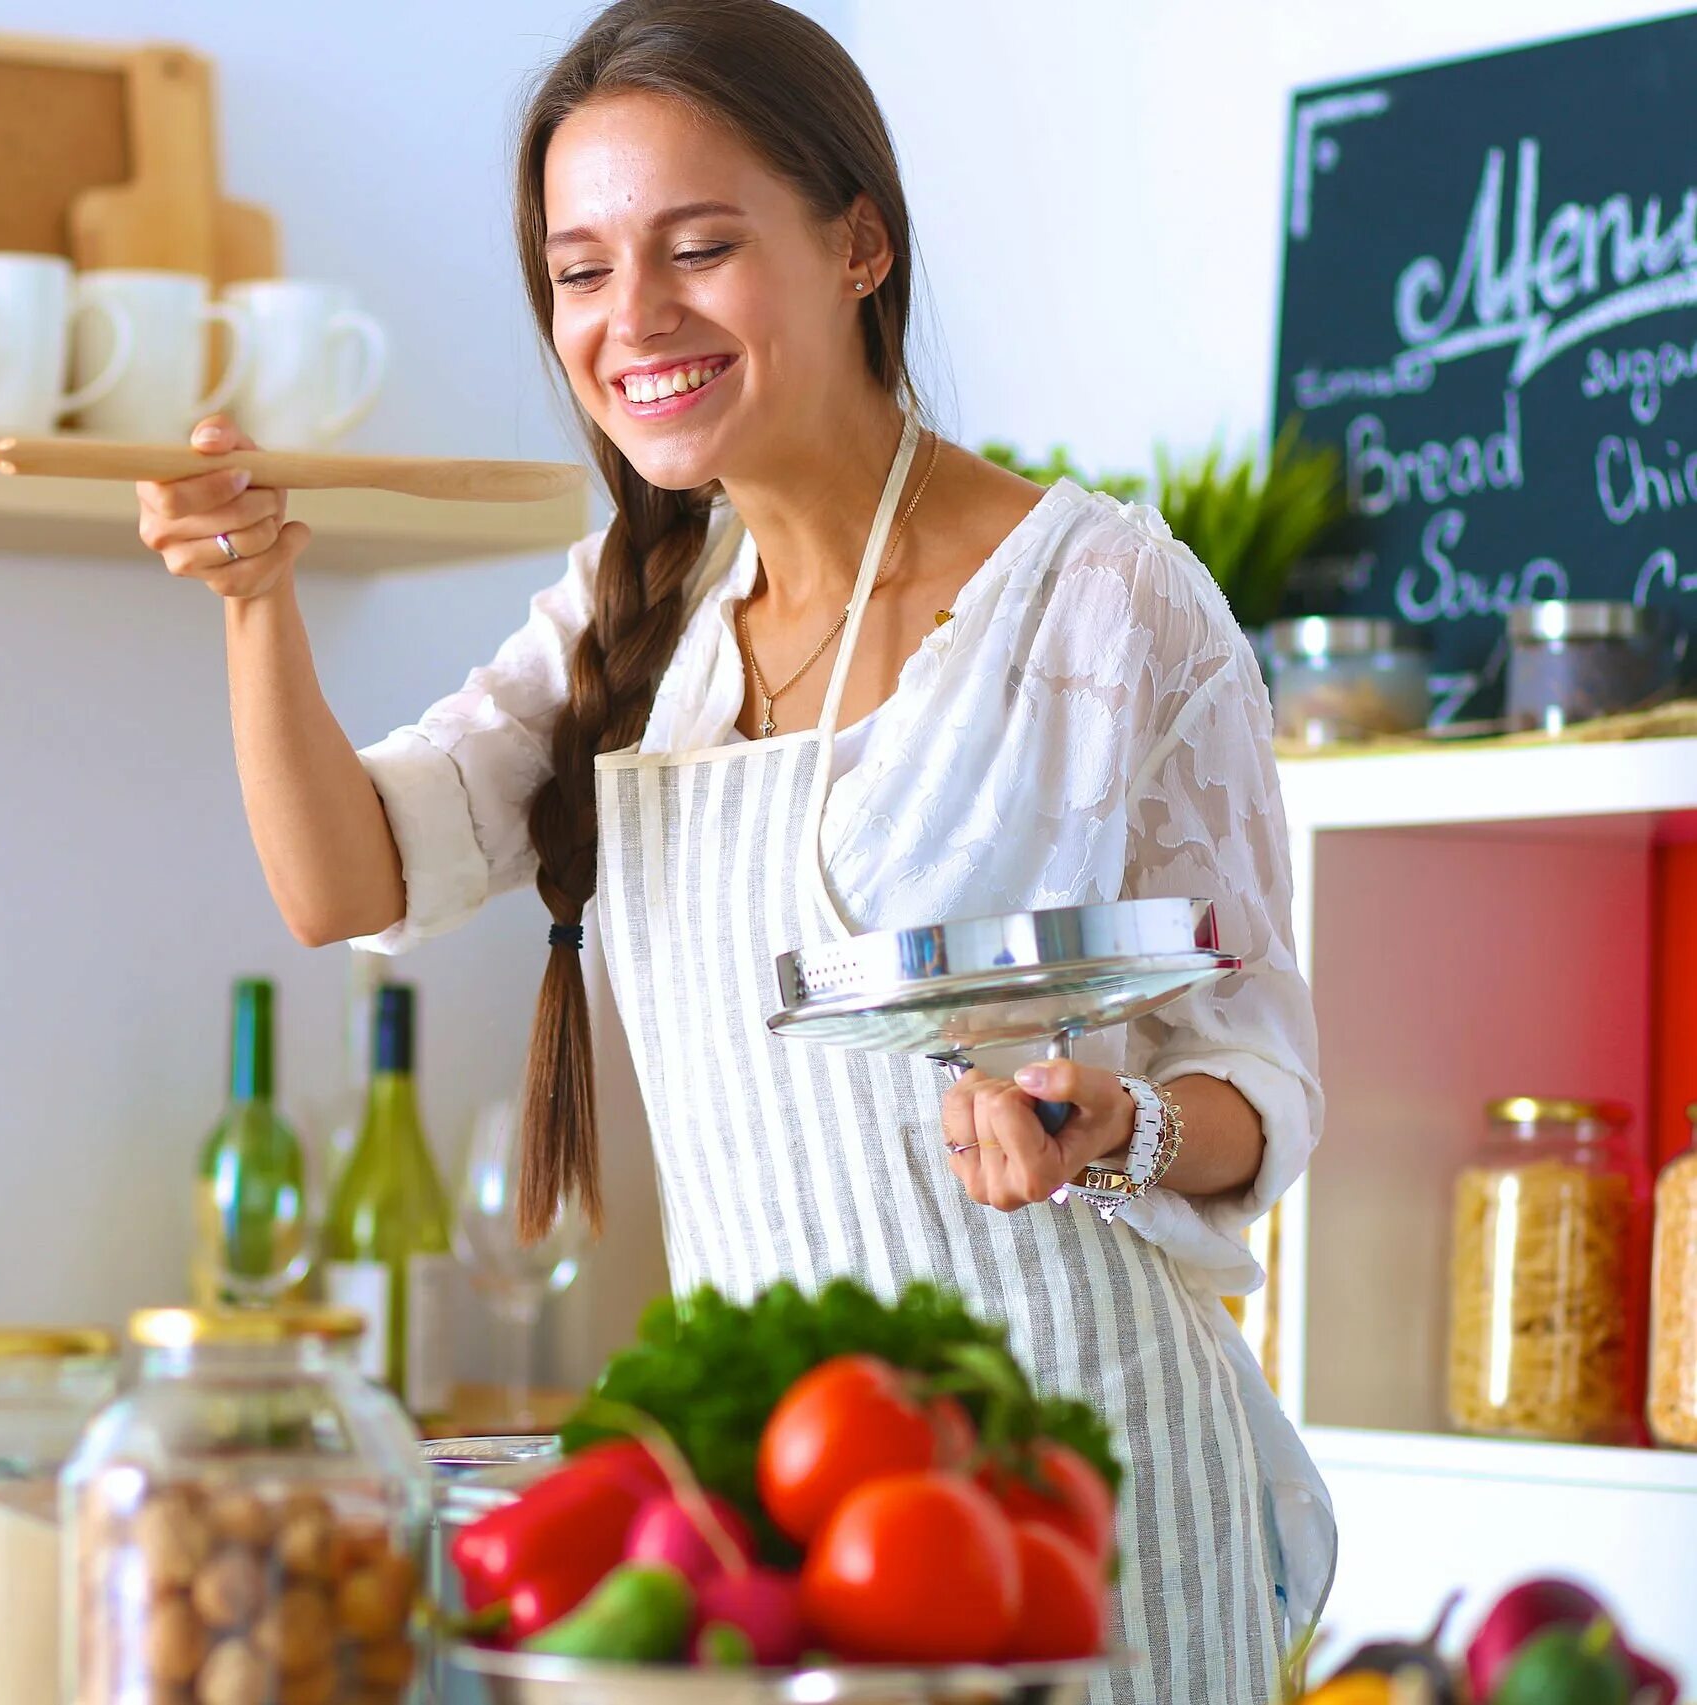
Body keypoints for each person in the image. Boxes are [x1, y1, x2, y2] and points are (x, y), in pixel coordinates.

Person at [134, 1, 1333, 1695]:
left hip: (1087, 1496)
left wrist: (1114, 1124)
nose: (635, 321)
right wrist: (256, 607)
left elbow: (1260, 1092)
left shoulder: (1105, 601)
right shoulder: (633, 611)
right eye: (580, 271)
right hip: (790, 1512)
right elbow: (349, 880)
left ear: (859, 243)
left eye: (699, 247)